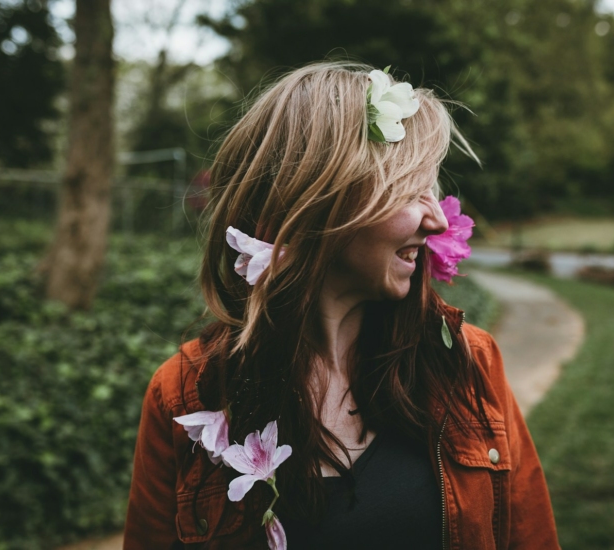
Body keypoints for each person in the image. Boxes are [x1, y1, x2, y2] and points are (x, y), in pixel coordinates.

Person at [123, 62, 559, 550]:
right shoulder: (188, 393)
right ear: (317, 201)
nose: (437, 221)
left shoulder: (467, 364)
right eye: (410, 188)